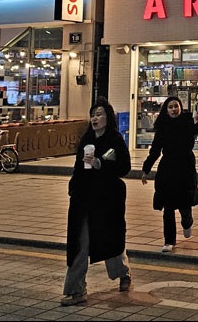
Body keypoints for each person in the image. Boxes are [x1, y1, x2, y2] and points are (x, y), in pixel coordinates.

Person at [62, 98, 133, 305]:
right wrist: (73, 185)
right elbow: (77, 166)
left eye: (99, 114)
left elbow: (124, 167)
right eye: (93, 114)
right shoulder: (86, 139)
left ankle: (124, 273)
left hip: (107, 199)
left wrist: (100, 163)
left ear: (108, 117)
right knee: (79, 243)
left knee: (110, 240)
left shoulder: (115, 139)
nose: (95, 118)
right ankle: (76, 290)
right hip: (83, 198)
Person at [141, 96, 198, 252]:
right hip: (168, 168)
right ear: (166, 110)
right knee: (168, 206)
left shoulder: (186, 122)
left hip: (185, 166)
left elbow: (196, 129)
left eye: (176, 106)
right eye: (170, 107)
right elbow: (155, 150)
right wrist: (146, 169)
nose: (173, 110)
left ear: (180, 108)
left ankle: (187, 221)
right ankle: (169, 240)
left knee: (185, 203)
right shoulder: (162, 127)